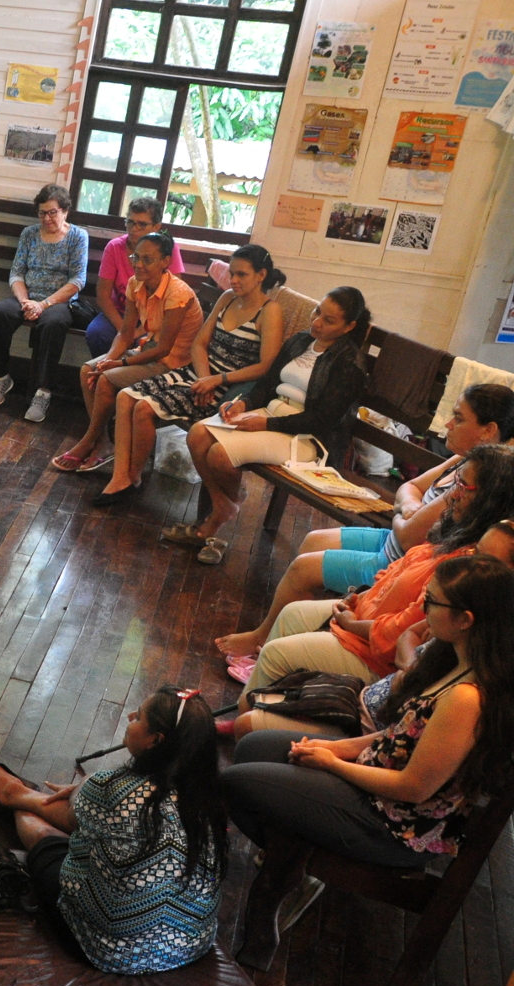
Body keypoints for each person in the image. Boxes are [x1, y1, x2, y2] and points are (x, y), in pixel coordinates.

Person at [224, 555, 514, 963]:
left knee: (239, 783)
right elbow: (400, 735)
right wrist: (337, 748)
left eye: (432, 601)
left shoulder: (468, 698)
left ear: (466, 619)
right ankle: (290, 863)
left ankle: (286, 869)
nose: (424, 608)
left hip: (393, 825)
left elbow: (414, 788)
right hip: (379, 781)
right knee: (255, 747)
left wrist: (333, 764)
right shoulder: (452, 660)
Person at [210, 382, 514, 658]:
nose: (448, 424)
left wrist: (404, 512)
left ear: (488, 430)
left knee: (303, 569)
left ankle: (264, 640)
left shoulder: (476, 484)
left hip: (398, 561)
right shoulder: (462, 459)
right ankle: (299, 632)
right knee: (313, 540)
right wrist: (408, 507)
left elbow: (409, 537)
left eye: (459, 418)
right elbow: (409, 487)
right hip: (390, 540)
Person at [233, 446, 514, 708]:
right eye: (456, 482)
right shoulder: (456, 528)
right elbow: (397, 569)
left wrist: (353, 624)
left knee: (277, 653)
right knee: (293, 613)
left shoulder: (466, 564)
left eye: (464, 486)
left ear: (491, 498)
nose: (452, 494)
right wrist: (358, 598)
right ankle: (262, 698)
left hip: (375, 655)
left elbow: (401, 631)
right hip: (368, 616)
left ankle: (252, 714)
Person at [0, 688, 225, 974]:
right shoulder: (211, 798)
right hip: (190, 946)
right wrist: (88, 793)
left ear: (155, 740)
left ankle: (11, 795)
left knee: (48, 842)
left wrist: (85, 792)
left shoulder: (116, 791)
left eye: (140, 717)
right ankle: (19, 793)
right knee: (96, 836)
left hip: (111, 950)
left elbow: (69, 820)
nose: (131, 716)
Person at [177, 287, 373, 565]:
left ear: (349, 326)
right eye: (318, 311)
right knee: (198, 433)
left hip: (305, 437)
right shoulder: (300, 341)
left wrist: (267, 423)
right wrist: (243, 404)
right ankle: (225, 503)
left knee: (219, 455)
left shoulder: (349, 363)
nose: (317, 321)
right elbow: (268, 383)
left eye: (329, 320)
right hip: (269, 413)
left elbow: (322, 419)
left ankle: (219, 515)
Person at [81, 244, 285, 505]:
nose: (233, 280)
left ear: (261, 275)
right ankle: (120, 476)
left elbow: (265, 366)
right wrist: (203, 377)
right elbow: (200, 344)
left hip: (229, 386)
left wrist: (216, 381)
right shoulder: (227, 298)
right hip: (198, 375)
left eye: (241, 275)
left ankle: (132, 478)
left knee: (143, 407)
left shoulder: (270, 311)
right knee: (125, 397)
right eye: (231, 273)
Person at [51, 230, 200, 472]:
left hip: (174, 364)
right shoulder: (136, 283)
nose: (138, 265)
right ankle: (103, 442)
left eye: (147, 259)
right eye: (135, 257)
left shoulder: (178, 293)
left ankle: (90, 441)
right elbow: (126, 333)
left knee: (107, 379)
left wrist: (119, 365)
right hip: (149, 349)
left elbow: (164, 349)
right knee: (89, 370)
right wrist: (108, 361)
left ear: (165, 262)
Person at [0, 185, 91, 423]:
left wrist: (44, 305)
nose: (47, 218)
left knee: (54, 324)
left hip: (59, 301)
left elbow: (78, 280)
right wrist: (25, 301)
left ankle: (43, 391)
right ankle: (0, 377)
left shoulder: (78, 236)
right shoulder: (29, 234)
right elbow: (17, 272)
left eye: (52, 212)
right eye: (42, 213)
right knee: (0, 313)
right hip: (27, 296)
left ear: (65, 211)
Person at [73, 195, 188, 357]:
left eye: (142, 224)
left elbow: (174, 296)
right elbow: (103, 296)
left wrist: (138, 331)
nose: (134, 229)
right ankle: (102, 375)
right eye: (130, 222)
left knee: (149, 344)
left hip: (154, 316)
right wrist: (124, 330)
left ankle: (127, 380)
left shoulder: (169, 249)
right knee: (97, 333)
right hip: (120, 312)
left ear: (156, 227)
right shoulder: (114, 248)